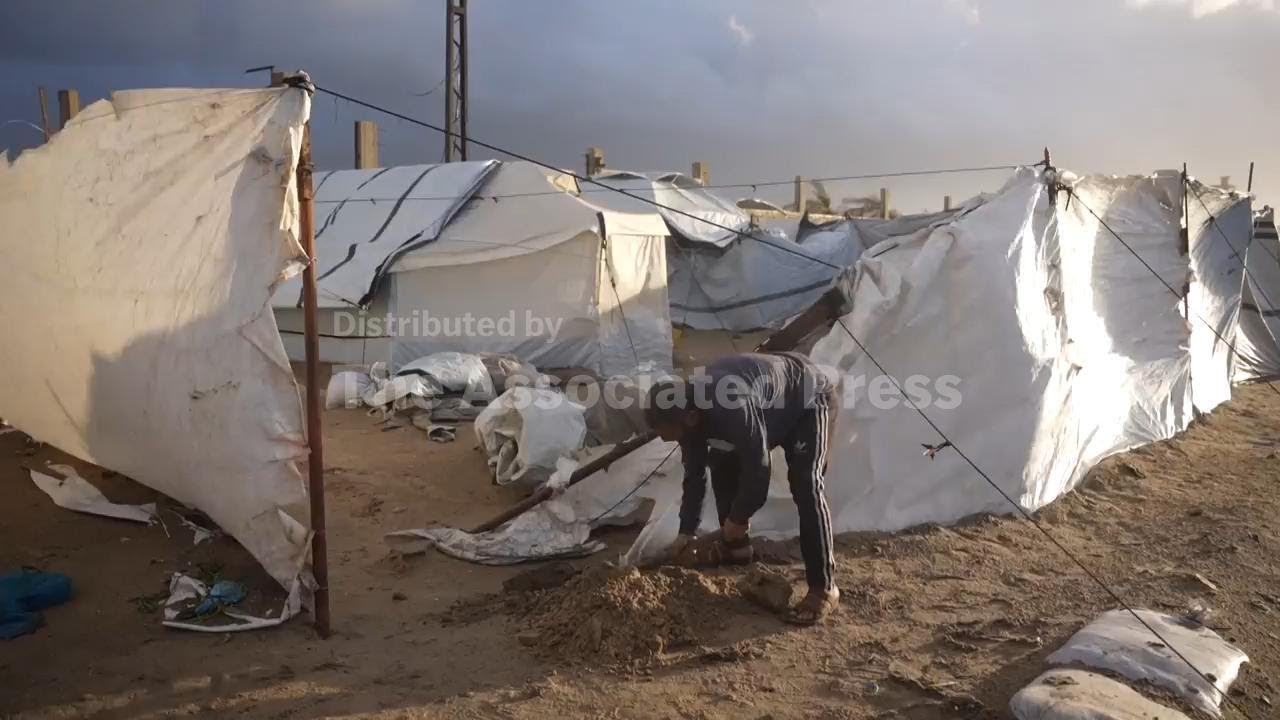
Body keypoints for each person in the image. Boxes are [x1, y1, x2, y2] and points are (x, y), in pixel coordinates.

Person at [643, 352, 839, 624]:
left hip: (808, 400)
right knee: (721, 461)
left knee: (807, 484)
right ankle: (736, 548)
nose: (667, 440)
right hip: (768, 412)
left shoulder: (731, 405)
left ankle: (824, 588)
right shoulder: (688, 416)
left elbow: (759, 468)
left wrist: (738, 518)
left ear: (689, 418)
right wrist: (686, 532)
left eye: (668, 434)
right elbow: (694, 473)